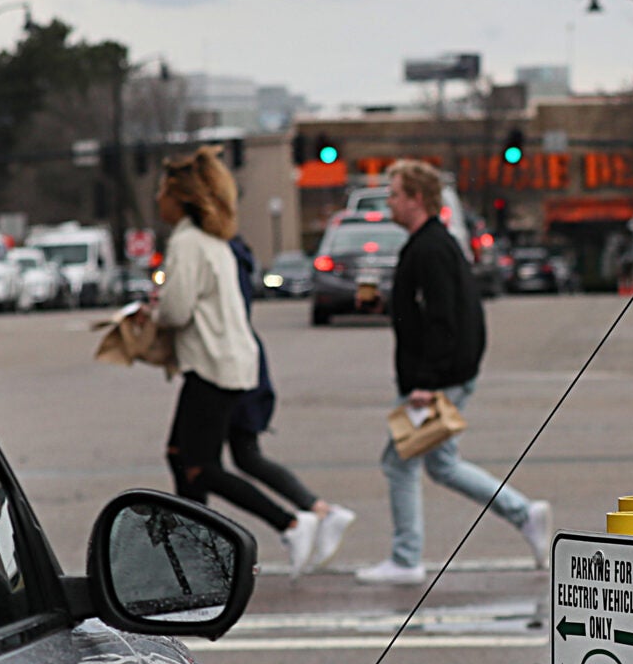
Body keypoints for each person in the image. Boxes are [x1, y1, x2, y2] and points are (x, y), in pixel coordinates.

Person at [355, 159, 551, 585]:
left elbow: (446, 319)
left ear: (417, 199)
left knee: (398, 462)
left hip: (437, 380)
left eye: (394, 194)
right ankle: (524, 514)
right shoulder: (430, 244)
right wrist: (384, 306)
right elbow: (427, 314)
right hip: (443, 375)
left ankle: (406, 559)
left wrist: (427, 382)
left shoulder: (430, 248)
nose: (388, 202)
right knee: (440, 465)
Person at [150, 148, 322, 574]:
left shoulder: (188, 241)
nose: (157, 201)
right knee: (179, 455)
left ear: (180, 196)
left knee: (200, 465)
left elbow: (176, 311)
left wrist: (151, 312)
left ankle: (290, 523)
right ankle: (197, 555)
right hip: (226, 364)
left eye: (162, 192)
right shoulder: (214, 239)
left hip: (213, 368)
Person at [227, 231, 357, 572]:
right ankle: (317, 512)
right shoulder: (231, 252)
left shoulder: (221, 253)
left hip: (232, 367)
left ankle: (296, 521)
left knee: (201, 463)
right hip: (239, 363)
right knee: (239, 457)